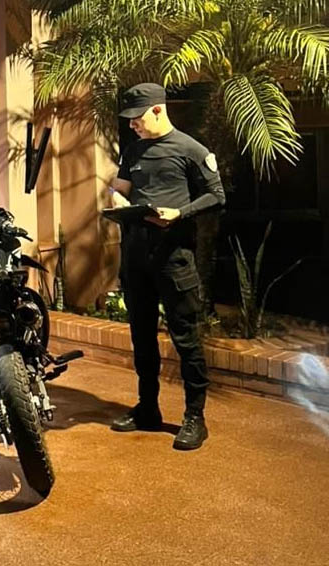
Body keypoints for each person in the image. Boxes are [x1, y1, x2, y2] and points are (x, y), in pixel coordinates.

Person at [108, 83, 226, 451]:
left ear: (158, 110)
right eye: (129, 120)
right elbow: (119, 188)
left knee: (186, 338)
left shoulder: (191, 149)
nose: (132, 125)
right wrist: (117, 200)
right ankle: (148, 408)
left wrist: (180, 213)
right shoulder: (133, 150)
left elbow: (216, 195)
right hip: (136, 257)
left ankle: (195, 417)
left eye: (138, 118)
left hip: (174, 258)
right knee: (141, 337)